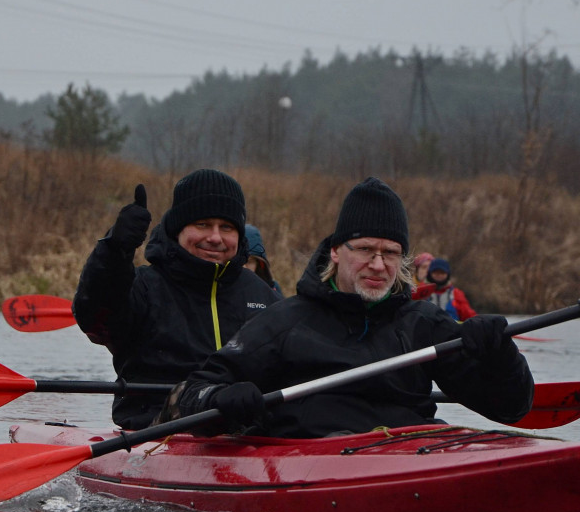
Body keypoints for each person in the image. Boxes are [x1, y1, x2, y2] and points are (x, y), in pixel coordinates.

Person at [173, 176, 534, 439]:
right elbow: (191, 393)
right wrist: (221, 399)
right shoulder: (285, 322)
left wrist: (501, 355)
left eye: (390, 253)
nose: (378, 265)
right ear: (336, 252)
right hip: (315, 462)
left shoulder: (424, 325)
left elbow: (511, 408)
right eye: (364, 250)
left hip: (412, 452)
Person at [72, 169, 282, 430]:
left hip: (247, 432)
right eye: (203, 224)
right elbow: (94, 319)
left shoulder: (260, 293)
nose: (215, 237)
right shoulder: (144, 287)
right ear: (177, 230)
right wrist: (115, 251)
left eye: (226, 227)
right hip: (159, 428)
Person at [412, 257, 477, 321]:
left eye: (442, 272)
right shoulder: (420, 290)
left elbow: (470, 316)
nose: (439, 275)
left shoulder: (456, 294)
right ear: (429, 273)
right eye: (436, 272)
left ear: (447, 274)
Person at [244, 224, 282, 294]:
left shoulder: (272, 290)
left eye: (249, 262)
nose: (244, 267)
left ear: (258, 263)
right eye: (240, 261)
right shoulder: (222, 290)